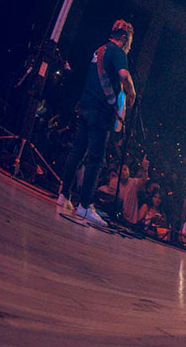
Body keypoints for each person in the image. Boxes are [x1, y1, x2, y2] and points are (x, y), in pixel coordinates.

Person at [57, 20, 137, 227]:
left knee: (77, 152)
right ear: (125, 37)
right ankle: (84, 205)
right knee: (95, 159)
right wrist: (131, 92)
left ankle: (63, 195)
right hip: (100, 112)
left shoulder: (98, 51)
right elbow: (123, 75)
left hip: (84, 106)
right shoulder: (119, 53)